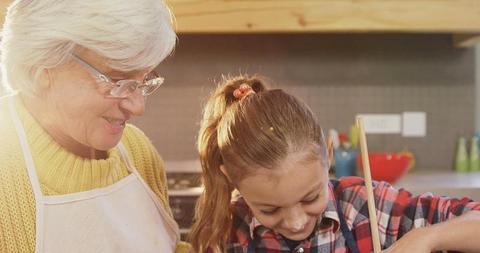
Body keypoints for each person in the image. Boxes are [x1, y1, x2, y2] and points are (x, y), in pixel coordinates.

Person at [189, 74, 480, 253]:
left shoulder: (367, 207)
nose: (296, 222)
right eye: (269, 209)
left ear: (327, 155)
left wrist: (426, 238)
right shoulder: (224, 233)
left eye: (311, 197)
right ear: (230, 178)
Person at [0, 0, 190, 252]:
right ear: (42, 67)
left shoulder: (136, 150)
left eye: (143, 80)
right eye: (117, 80)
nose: (138, 107)